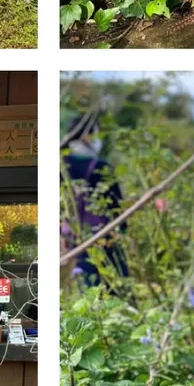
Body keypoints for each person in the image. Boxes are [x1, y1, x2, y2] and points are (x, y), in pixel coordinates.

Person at [61, 108, 129, 282]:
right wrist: (121, 231)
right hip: (103, 235)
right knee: (117, 281)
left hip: (72, 236)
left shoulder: (60, 165)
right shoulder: (100, 166)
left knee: (86, 284)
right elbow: (116, 206)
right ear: (86, 136)